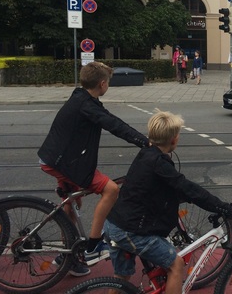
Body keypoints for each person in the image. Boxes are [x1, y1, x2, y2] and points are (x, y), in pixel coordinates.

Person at [103, 110, 232, 294]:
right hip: (130, 230)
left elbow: (154, 189)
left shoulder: (146, 154)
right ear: (174, 140)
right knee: (176, 266)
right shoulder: (160, 164)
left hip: (114, 223)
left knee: (121, 279)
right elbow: (190, 189)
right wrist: (225, 208)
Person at [37, 62, 150, 276]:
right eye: (108, 82)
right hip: (64, 161)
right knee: (111, 190)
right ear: (102, 83)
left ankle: (68, 255)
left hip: (55, 157)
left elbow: (110, 119)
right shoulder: (86, 105)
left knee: (71, 202)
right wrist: (144, 143)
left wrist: (140, 139)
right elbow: (113, 124)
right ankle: (94, 245)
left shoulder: (83, 98)